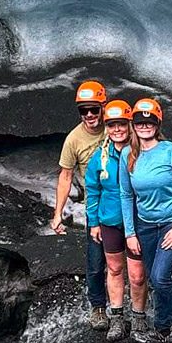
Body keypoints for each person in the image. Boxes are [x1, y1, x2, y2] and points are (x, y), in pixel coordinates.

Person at [119, 97, 172, 343]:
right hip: (145, 226)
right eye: (140, 122)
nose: (145, 126)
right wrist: (130, 233)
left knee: (161, 276)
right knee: (154, 277)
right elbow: (125, 194)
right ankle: (162, 327)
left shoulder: (171, 151)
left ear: (157, 123)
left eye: (149, 122)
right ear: (134, 125)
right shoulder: (127, 155)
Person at [84, 100, 150, 341]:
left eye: (121, 124)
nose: (117, 130)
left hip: (138, 220)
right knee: (114, 268)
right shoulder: (100, 158)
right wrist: (93, 223)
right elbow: (92, 189)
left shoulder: (142, 153)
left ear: (129, 125)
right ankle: (117, 319)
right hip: (110, 220)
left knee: (137, 274)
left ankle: (139, 318)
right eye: (112, 125)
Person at [50, 80, 108, 330]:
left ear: (103, 107)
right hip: (96, 203)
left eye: (94, 109)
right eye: (83, 110)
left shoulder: (117, 127)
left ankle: (136, 302)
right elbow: (65, 176)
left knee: (133, 255)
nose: (89, 115)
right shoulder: (74, 139)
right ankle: (98, 308)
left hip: (126, 198)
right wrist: (57, 213)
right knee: (96, 262)